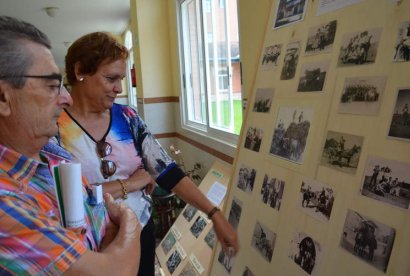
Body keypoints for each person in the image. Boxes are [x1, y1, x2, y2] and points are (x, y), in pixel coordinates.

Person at [57, 31, 239, 276]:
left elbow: (168, 172)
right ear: (80, 71)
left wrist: (214, 214)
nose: (118, 88)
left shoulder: (128, 118)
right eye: (111, 78)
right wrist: (131, 183)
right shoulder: (54, 127)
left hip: (139, 234)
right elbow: (63, 196)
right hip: (87, 245)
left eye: (121, 79)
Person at [0, 16, 141, 274]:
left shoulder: (52, 154)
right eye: (53, 86)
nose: (66, 98)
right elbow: (115, 271)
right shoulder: (6, 200)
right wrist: (129, 220)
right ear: (3, 97)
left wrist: (107, 243)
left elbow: (100, 228)